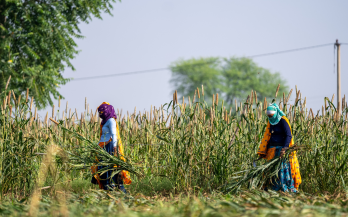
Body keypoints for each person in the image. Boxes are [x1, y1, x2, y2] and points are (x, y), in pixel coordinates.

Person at [257, 103, 301, 192]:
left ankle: (282, 188)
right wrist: (264, 151)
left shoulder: (283, 121)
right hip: (272, 150)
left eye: (271, 115)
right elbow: (268, 136)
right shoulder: (271, 121)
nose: (270, 117)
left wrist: (284, 149)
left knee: (281, 169)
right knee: (270, 170)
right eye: (269, 116)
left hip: (281, 150)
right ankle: (271, 188)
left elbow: (288, 135)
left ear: (276, 113)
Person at [91, 102, 131, 192]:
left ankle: (117, 188)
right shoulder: (104, 122)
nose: (100, 114)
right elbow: (103, 136)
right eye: (99, 113)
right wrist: (97, 146)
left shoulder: (111, 121)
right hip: (103, 147)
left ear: (107, 111)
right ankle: (107, 189)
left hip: (110, 147)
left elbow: (114, 134)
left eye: (102, 112)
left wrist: (115, 147)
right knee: (103, 168)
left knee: (111, 167)